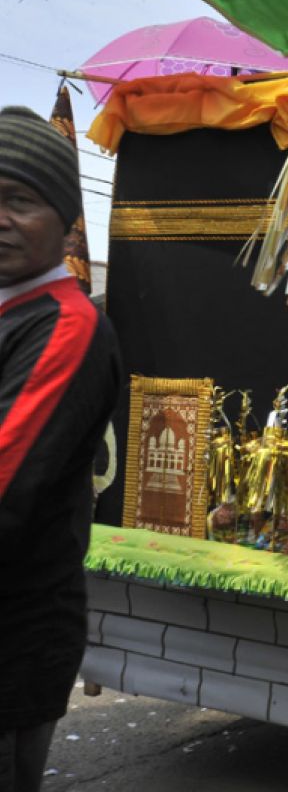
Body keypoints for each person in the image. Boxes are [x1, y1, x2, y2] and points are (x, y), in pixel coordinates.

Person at [0, 106, 122, 792]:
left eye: (18, 200)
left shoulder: (68, 328)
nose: (0, 218)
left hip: (14, 638)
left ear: (67, 220)